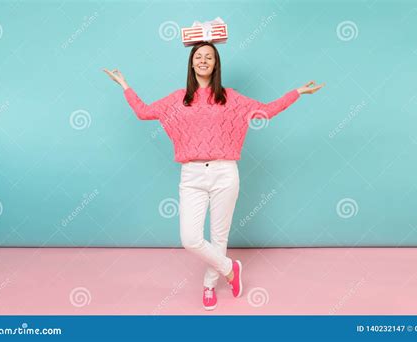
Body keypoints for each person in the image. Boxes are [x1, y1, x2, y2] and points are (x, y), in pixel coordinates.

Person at [103, 41, 324, 310]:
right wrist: (125, 85)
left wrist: (297, 92)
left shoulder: (230, 97)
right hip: (192, 174)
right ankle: (231, 270)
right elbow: (144, 112)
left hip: (224, 172)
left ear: (216, 63)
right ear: (191, 63)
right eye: (199, 56)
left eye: (209, 56)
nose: (204, 60)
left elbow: (266, 110)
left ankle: (209, 286)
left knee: (219, 237)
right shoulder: (179, 98)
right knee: (190, 238)